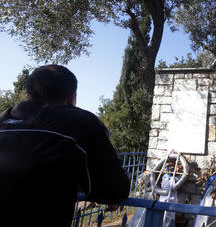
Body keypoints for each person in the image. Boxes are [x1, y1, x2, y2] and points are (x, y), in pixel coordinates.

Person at [0, 65, 130, 227]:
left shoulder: (4, 118)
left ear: (27, 95)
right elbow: (115, 188)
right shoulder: (82, 122)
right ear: (71, 98)